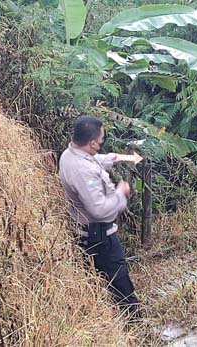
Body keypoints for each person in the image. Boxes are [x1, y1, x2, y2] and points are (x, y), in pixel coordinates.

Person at [58, 115, 141, 317]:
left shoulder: (71, 154)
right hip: (100, 237)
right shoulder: (83, 172)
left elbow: (92, 160)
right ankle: (135, 325)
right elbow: (99, 209)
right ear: (92, 142)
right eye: (101, 140)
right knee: (119, 283)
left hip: (88, 233)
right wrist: (121, 193)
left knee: (100, 282)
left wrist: (115, 158)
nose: (102, 143)